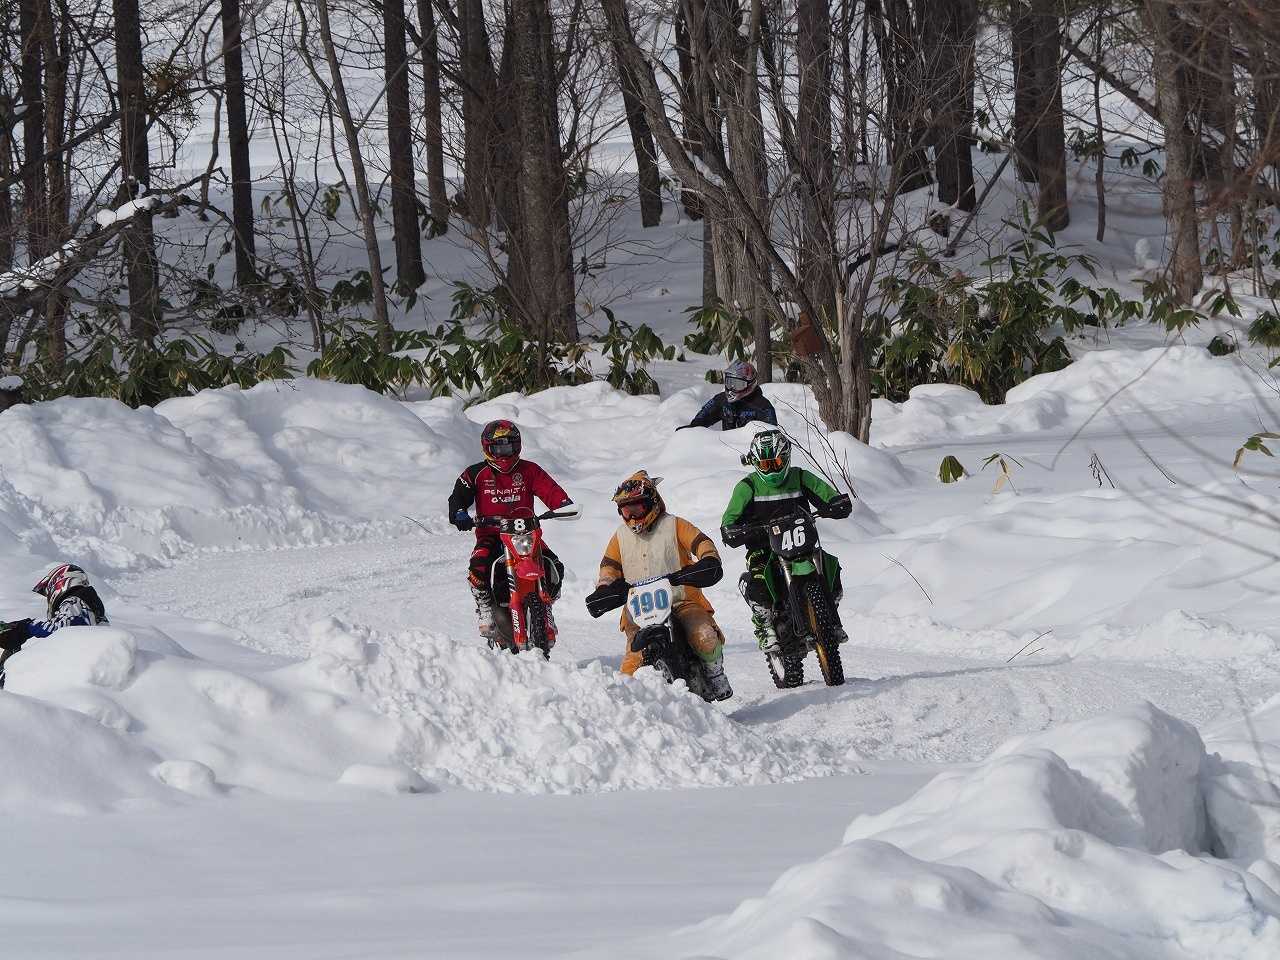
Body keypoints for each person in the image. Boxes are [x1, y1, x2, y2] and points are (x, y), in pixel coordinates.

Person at [589, 471, 732, 701]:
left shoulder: (674, 524)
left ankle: (715, 673)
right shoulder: (620, 536)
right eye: (626, 511)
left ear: (652, 503)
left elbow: (701, 542)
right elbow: (609, 567)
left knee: (704, 635)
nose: (632, 516)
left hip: (681, 601)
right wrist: (605, 587)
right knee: (629, 670)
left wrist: (708, 558)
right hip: (638, 612)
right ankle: (631, 708)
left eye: (637, 509)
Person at [720, 429, 852, 652]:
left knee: (830, 564)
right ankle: (764, 625)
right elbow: (729, 519)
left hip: (802, 544)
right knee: (759, 578)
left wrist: (836, 503)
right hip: (764, 548)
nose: (771, 469)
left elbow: (827, 494)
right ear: (755, 463)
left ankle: (829, 615)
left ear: (786, 458)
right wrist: (732, 530)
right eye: (765, 465)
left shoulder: (800, 477)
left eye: (777, 463)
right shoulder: (747, 487)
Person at [447, 419, 575, 642]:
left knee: (554, 566)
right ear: (487, 448)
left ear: (518, 446)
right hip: (491, 534)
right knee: (478, 566)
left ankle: (546, 608)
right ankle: (485, 608)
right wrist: (459, 513)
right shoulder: (475, 473)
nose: (504, 453)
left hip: (526, 534)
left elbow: (550, 489)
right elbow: (458, 496)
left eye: (509, 447)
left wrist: (563, 505)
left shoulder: (530, 470)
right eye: (498, 448)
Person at [0, 563, 109, 687]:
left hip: (77, 672)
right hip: (84, 670)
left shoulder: (75, 601)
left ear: (58, 582)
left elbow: (62, 628)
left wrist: (26, 628)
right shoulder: (89, 607)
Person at [684, 359, 777, 431]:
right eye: (729, 382)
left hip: (749, 448)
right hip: (724, 447)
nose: (732, 388)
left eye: (738, 384)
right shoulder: (721, 400)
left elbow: (772, 435)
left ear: (750, 385)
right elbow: (700, 420)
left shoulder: (763, 407)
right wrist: (688, 431)